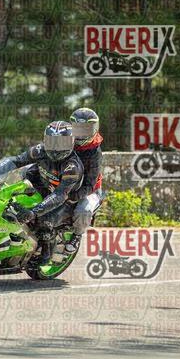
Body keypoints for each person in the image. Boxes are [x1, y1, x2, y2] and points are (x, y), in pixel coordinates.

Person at [0, 121, 84, 264]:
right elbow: (15, 161)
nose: (55, 148)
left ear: (71, 143)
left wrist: (34, 212)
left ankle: (48, 248)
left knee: (44, 220)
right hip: (42, 188)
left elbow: (60, 195)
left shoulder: (72, 167)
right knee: (11, 202)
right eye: (52, 142)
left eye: (60, 143)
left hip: (66, 200)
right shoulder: (40, 150)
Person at [64, 108, 103, 253]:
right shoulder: (65, 141)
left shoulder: (95, 153)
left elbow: (90, 184)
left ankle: (77, 235)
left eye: (85, 130)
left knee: (83, 210)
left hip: (90, 190)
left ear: (94, 129)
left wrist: (71, 196)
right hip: (66, 183)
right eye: (78, 129)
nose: (81, 134)